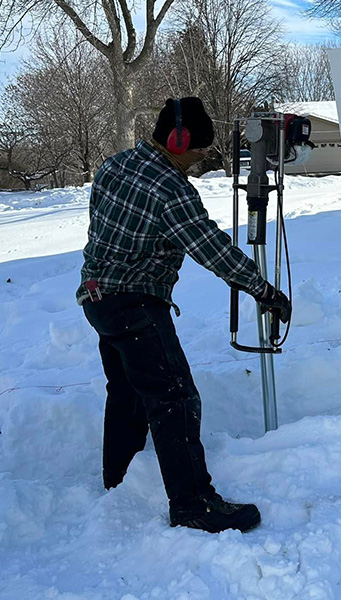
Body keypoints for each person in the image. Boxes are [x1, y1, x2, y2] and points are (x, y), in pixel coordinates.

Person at [77, 97, 290, 533]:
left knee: (129, 393)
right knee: (175, 398)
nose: (197, 163)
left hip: (97, 300)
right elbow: (212, 249)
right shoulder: (170, 189)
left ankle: (119, 481)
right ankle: (193, 504)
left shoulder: (114, 166)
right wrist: (263, 290)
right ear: (178, 141)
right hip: (135, 305)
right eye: (196, 153)